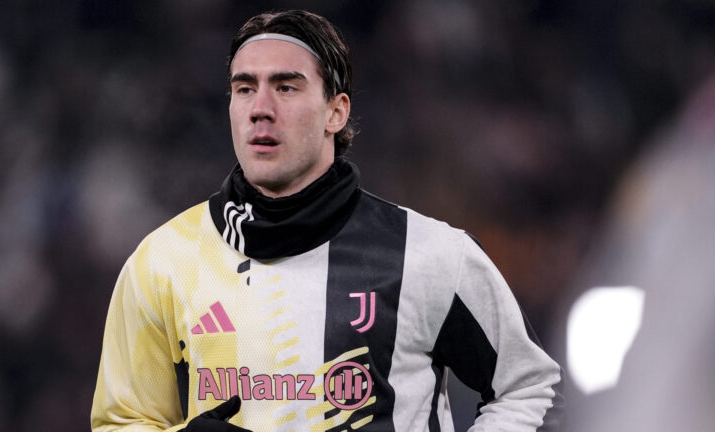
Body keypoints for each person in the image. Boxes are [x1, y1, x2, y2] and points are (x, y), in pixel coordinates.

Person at [91, 10, 563, 432]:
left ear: (336, 111)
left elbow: (529, 388)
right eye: (244, 88)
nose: (260, 108)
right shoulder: (163, 262)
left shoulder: (429, 253)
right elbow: (122, 421)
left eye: (286, 87)